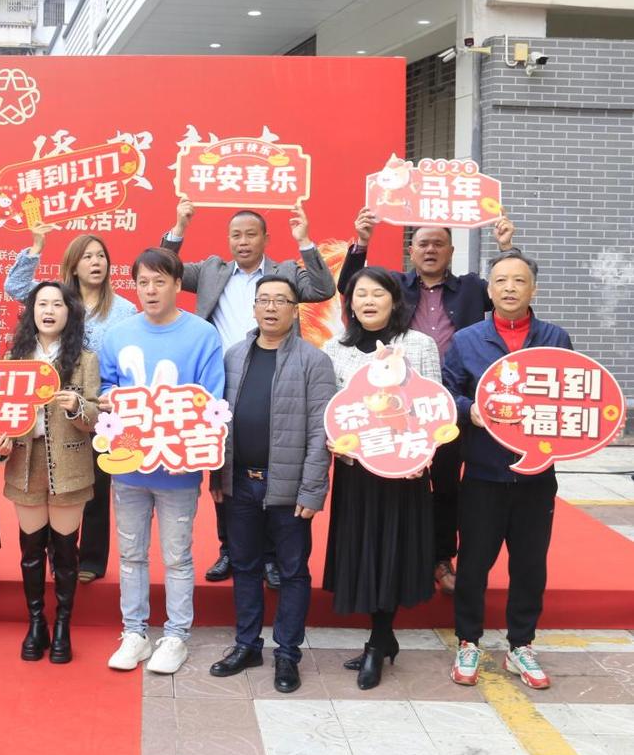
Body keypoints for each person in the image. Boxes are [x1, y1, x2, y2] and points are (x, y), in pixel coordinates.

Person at [339, 208, 516, 594]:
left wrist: (506, 249)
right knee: (404, 482)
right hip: (402, 402)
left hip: (454, 399)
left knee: (447, 481)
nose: (431, 249)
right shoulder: (398, 285)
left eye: (439, 243)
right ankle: (408, 557)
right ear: (412, 250)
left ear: (451, 250)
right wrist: (362, 243)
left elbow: (507, 291)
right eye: (423, 243)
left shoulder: (471, 288)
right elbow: (352, 286)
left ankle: (441, 557)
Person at [163, 199, 335, 588]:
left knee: (272, 463)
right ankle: (229, 548)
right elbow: (165, 268)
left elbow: (323, 288)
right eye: (236, 235)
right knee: (225, 469)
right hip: (222, 379)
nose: (243, 242)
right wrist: (179, 229)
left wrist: (304, 241)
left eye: (250, 234)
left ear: (265, 238)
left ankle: (271, 557)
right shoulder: (211, 270)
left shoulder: (285, 272)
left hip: (273, 376)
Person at [443, 250, 571, 690]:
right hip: (484, 471)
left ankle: (521, 645)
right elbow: (447, 391)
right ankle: (468, 641)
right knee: (474, 563)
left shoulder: (555, 338)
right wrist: (469, 410)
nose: (510, 288)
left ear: (534, 288)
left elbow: (574, 396)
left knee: (530, 564)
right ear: (490, 289)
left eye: (519, 280)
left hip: (537, 474)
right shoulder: (468, 340)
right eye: (501, 281)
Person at [208, 276, 335, 694]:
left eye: (281, 300)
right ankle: (247, 645)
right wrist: (217, 475)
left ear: (294, 309)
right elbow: (218, 420)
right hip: (239, 482)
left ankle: (287, 653)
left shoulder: (314, 361)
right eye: (263, 300)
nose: (271, 307)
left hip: (289, 487)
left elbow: (320, 431)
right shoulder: (233, 355)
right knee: (244, 566)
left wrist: (312, 488)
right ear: (254, 308)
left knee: (293, 571)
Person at [102, 248, 224, 676]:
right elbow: (107, 390)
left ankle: (176, 636)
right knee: (131, 554)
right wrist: (108, 402)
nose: (150, 290)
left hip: (178, 469)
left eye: (159, 282)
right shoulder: (118, 335)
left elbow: (212, 402)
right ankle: (134, 633)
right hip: (128, 466)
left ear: (177, 284)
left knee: (177, 556)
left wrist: (187, 448)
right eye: (143, 283)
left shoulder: (203, 335)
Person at [322, 267, 438, 690]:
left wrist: (424, 452)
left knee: (393, 550)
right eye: (360, 294)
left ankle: (378, 640)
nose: (368, 301)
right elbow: (329, 409)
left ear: (394, 300)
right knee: (365, 551)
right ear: (350, 304)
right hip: (357, 470)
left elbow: (434, 406)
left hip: (404, 470)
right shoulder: (335, 348)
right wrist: (333, 440)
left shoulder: (419, 345)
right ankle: (382, 637)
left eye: (377, 293)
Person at [4, 226, 136, 584]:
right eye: (87, 256)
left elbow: (128, 356)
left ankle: (90, 559)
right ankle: (57, 554)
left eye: (101, 256)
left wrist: (119, 394)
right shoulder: (57, 298)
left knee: (95, 483)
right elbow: (15, 287)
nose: (96, 262)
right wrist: (35, 248)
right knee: (52, 483)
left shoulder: (124, 309)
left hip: (101, 405)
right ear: (73, 265)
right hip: (50, 408)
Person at [0, 281, 99, 664]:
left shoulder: (84, 359)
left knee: (66, 552)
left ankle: (63, 625)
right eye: (42, 304)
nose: (49, 311)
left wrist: (77, 406)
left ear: (70, 312)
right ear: (31, 312)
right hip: (25, 462)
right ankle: (36, 623)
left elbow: (95, 418)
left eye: (57, 304)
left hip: (70, 464)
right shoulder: (13, 359)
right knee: (31, 550)